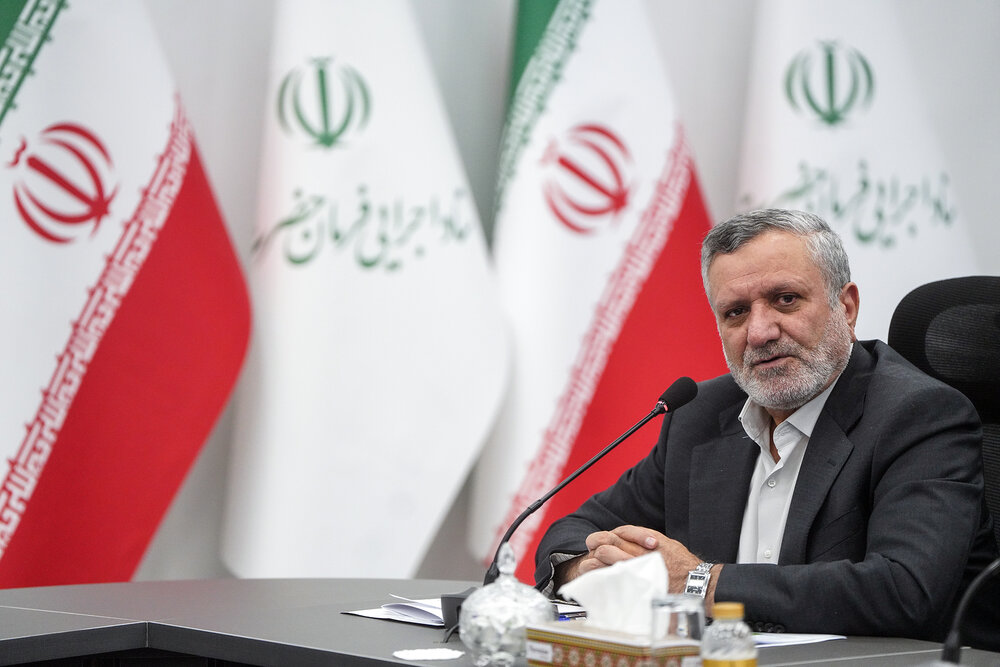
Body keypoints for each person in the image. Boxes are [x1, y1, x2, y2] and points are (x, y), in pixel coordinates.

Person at [535, 208, 999, 647]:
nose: (760, 332)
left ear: (847, 307)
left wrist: (699, 581)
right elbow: (574, 529)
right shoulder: (699, 416)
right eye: (736, 312)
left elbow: (903, 591)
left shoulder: (918, 415)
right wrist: (590, 566)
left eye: (785, 300)